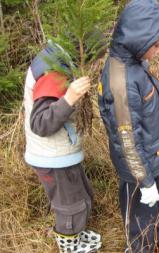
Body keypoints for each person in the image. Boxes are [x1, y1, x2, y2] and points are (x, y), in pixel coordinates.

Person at [97, 0, 159, 252]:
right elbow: (127, 141)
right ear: (138, 40)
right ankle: (140, 247)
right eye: (156, 46)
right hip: (138, 168)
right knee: (139, 217)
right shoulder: (120, 83)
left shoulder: (133, 62)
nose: (158, 50)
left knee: (154, 206)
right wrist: (144, 182)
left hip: (152, 157)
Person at [23, 40, 101, 253]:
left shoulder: (59, 58)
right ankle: (69, 244)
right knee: (71, 206)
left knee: (82, 195)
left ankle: (76, 234)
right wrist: (69, 99)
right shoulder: (52, 72)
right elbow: (40, 123)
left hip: (62, 151)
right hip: (52, 156)